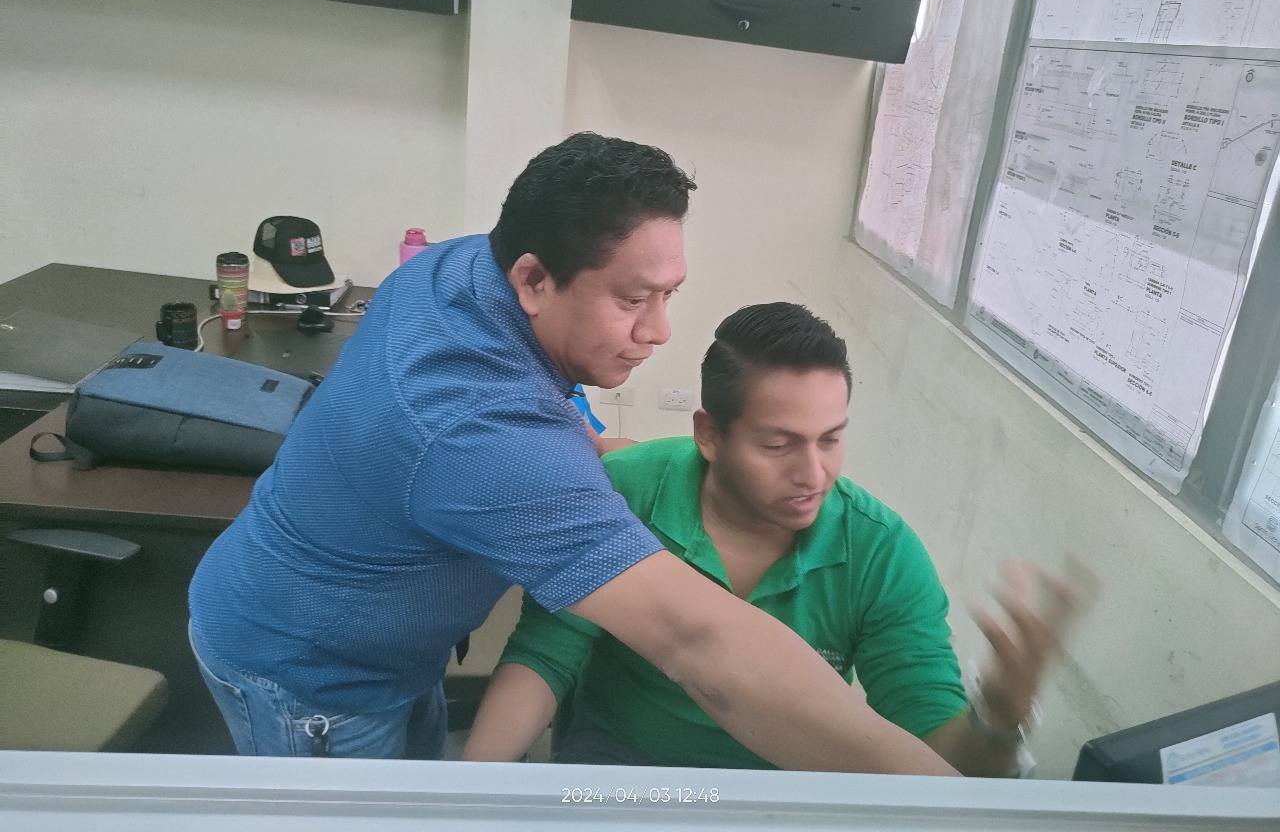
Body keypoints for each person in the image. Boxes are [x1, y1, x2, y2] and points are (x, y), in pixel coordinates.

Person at [186, 133, 956, 774]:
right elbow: (697, 642)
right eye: (632, 299)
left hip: (373, 633)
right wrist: (952, 802)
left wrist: (602, 448)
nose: (658, 331)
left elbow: (533, 412)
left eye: (670, 294)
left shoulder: (457, 268)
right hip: (311, 676)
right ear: (534, 279)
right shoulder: (482, 438)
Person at [464, 303, 1082, 776]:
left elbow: (935, 762)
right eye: (779, 445)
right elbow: (545, 658)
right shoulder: (626, 491)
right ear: (710, 435)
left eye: (830, 439)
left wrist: (998, 719)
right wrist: (468, 793)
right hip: (625, 776)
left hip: (788, 791)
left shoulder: (881, 552)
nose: (813, 475)